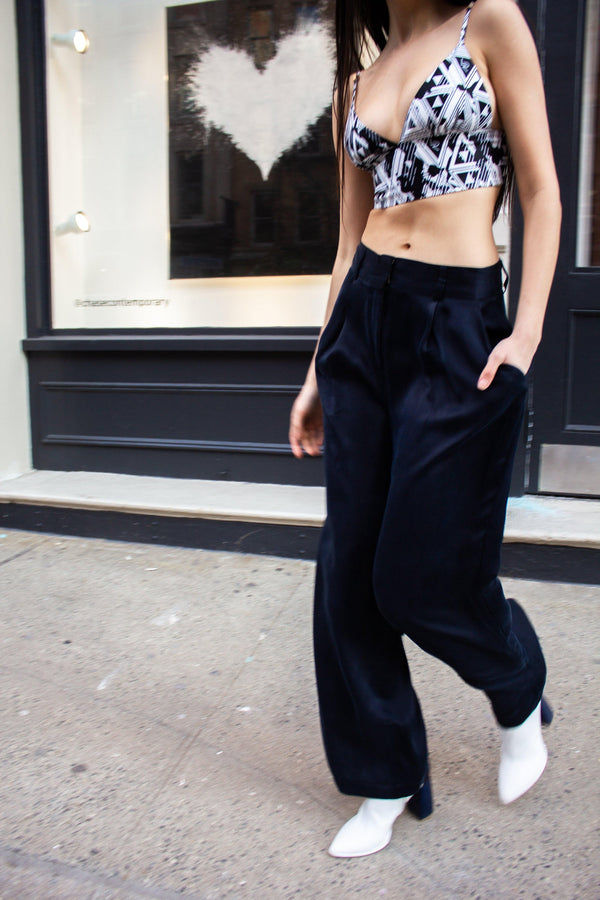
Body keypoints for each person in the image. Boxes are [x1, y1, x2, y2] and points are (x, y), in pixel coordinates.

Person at [288, 0, 561, 859]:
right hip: (364, 320)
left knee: (420, 572)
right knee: (348, 571)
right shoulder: (355, 83)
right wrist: (317, 371)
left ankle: (517, 686)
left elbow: (542, 188)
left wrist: (526, 334)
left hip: (457, 318)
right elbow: (345, 248)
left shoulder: (489, 23)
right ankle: (386, 776)